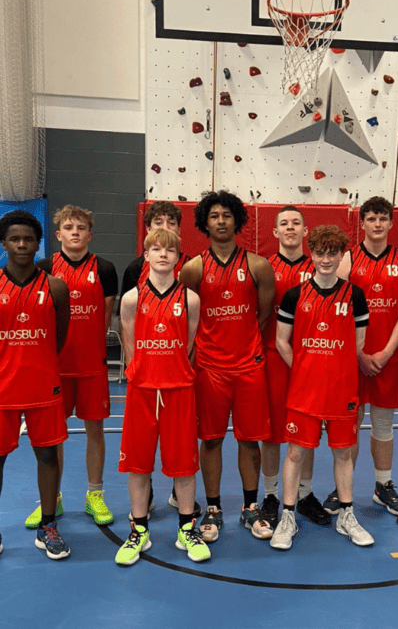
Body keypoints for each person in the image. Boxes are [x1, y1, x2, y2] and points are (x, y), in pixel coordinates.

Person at [178, 190, 275, 542]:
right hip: (209, 369)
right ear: (204, 222)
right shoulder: (192, 269)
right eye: (214, 215)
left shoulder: (258, 265)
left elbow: (262, 317)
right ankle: (214, 507)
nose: (221, 221)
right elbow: (186, 317)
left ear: (237, 220)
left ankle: (251, 508)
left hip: (248, 366)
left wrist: (244, 344)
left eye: (226, 215)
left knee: (250, 441)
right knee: (212, 439)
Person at [270, 225, 373, 550]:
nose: (326, 259)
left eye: (332, 253)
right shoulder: (295, 295)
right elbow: (281, 341)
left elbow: (358, 344)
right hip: (305, 392)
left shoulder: (355, 295)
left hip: (342, 392)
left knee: (343, 453)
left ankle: (346, 515)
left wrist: (334, 370)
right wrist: (304, 371)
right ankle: (288, 516)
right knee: (296, 452)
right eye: (320, 253)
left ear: (341, 255)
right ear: (311, 254)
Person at [115, 228, 209, 565]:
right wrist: (142, 368)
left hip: (179, 390)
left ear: (178, 256)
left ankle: (187, 528)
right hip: (143, 390)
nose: (163, 255)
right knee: (138, 465)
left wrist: (170, 368)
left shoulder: (190, 299)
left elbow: (189, 342)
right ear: (147, 254)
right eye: (156, 249)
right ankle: (139, 530)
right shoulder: (131, 298)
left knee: (184, 466)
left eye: (169, 249)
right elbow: (128, 338)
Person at [24, 205, 117, 529]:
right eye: (68, 226)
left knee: (96, 431)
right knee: (53, 437)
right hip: (57, 368)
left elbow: (106, 318)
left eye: (80, 227)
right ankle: (55, 499)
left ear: (89, 234)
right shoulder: (45, 268)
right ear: (58, 234)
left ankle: (95, 494)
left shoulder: (104, 269)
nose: (74, 231)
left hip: (92, 366)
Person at [323, 197, 398, 518]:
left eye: (383, 218)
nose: (377, 224)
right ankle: (342, 486)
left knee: (383, 424)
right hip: (354, 356)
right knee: (351, 424)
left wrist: (387, 352)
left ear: (392, 223)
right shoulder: (347, 260)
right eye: (372, 218)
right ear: (361, 223)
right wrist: (359, 353)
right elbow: (339, 311)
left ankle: (382, 486)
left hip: (389, 355)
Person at [0, 210, 71, 559]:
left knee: (47, 456)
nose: (23, 244)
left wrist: (38, 364)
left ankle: (47, 525)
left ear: (38, 242)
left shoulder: (55, 287)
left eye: (28, 239)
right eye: (15, 239)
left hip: (44, 387)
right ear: (4, 244)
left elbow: (58, 338)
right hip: (2, 391)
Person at [258, 206, 328, 529]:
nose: (289, 227)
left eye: (295, 223)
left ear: (305, 231)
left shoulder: (320, 270)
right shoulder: (263, 268)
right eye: (283, 223)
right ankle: (271, 495)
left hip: (310, 362)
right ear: (275, 232)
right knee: (271, 433)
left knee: (307, 432)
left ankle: (305, 492)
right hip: (273, 359)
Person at [119, 201, 193, 300]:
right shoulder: (135, 269)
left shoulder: (191, 267)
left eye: (171, 223)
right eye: (158, 223)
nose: (165, 228)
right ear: (149, 229)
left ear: (178, 230)